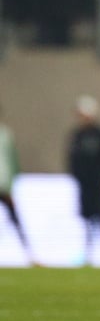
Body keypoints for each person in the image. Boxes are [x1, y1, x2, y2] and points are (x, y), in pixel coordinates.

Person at [67, 95, 100, 267]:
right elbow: (71, 159)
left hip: (97, 183)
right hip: (84, 185)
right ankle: (88, 254)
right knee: (87, 220)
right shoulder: (77, 135)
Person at [0, 103, 38, 266]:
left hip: (4, 184)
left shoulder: (5, 134)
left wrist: (13, 180)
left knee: (15, 219)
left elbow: (12, 161)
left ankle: (29, 255)